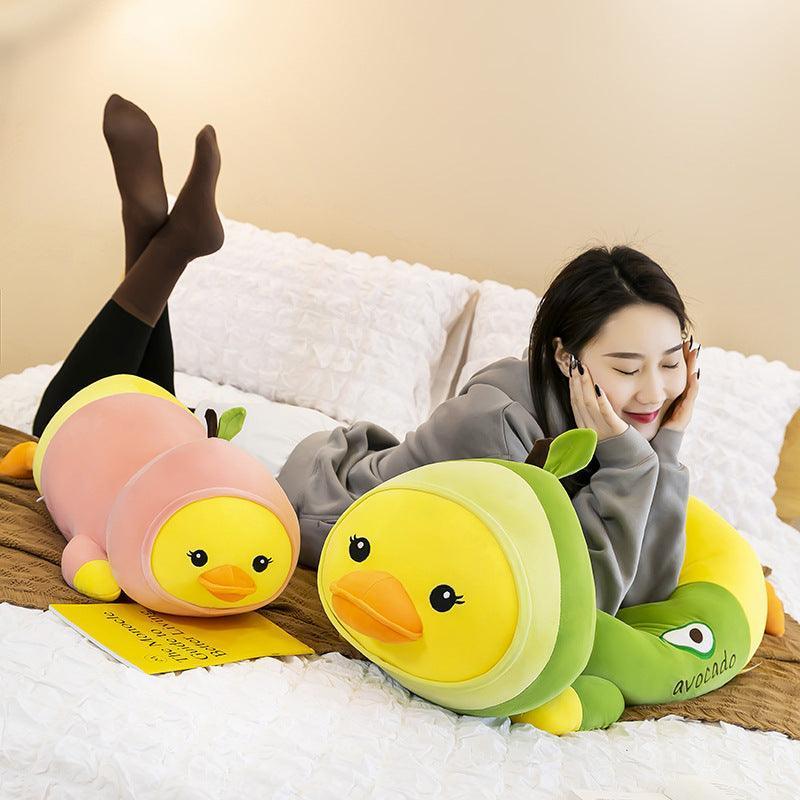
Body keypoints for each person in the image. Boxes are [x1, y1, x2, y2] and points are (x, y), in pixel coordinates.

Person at [32, 95, 700, 617]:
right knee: (58, 425)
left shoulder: (619, 435)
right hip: (328, 509)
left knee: (146, 416)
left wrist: (661, 448)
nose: (653, 391)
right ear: (565, 358)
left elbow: (647, 589)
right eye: (626, 367)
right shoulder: (499, 427)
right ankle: (165, 243)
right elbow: (584, 603)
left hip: (364, 482)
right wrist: (635, 460)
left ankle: (157, 241)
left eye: (672, 362)